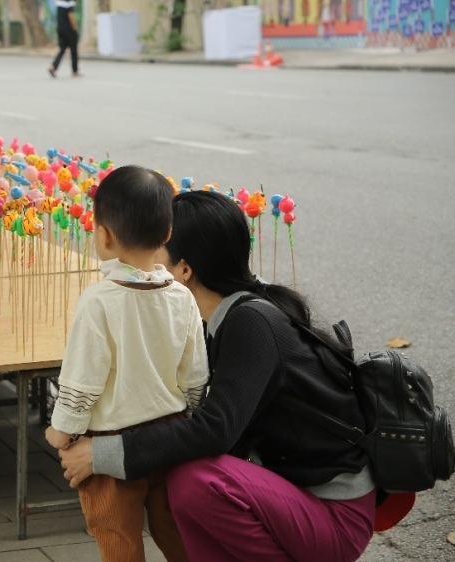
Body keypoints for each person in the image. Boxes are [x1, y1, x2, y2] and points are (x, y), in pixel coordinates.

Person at [58, 190, 377, 562]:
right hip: (289, 492)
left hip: (333, 515)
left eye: (154, 248)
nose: (143, 258)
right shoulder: (216, 316)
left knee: (195, 480)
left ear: (184, 269)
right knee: (187, 479)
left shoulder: (252, 322)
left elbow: (213, 430)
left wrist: (102, 454)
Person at [44, 166, 207, 562]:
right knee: (177, 531)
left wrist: (61, 431)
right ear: (168, 234)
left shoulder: (99, 301)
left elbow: (83, 381)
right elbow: (196, 376)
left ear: (103, 235)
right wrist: (189, 419)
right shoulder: (182, 297)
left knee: (117, 537)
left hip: (109, 444)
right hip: (169, 439)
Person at [48, 0, 80, 78]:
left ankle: (53, 66)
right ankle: (75, 71)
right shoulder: (68, 4)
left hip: (60, 29)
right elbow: (71, 16)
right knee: (74, 50)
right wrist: (75, 27)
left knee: (62, 49)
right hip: (69, 30)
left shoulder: (59, 4)